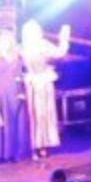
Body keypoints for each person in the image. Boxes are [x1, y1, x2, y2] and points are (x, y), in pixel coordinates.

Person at [20, 20, 70, 160]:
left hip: (38, 82)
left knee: (39, 114)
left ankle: (39, 146)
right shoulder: (33, 46)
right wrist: (64, 38)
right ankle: (39, 146)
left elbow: (58, 53)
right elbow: (60, 52)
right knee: (38, 115)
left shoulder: (32, 46)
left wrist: (63, 39)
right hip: (36, 82)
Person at [0, 29, 24, 162]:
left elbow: (19, 75)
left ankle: (11, 153)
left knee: (12, 121)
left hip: (11, 92)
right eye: (1, 40)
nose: (4, 43)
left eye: (7, 40)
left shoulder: (16, 57)